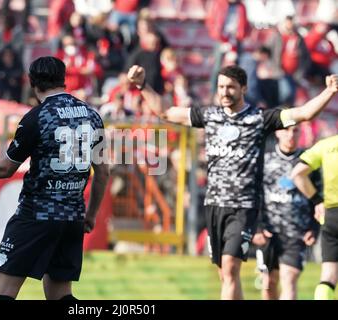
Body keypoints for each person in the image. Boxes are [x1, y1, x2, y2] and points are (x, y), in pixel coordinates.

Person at [127, 64, 338, 299]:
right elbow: (166, 112)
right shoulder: (209, 116)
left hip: (244, 207)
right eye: (221, 87)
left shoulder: (259, 118)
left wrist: (328, 92)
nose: (225, 92)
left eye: (231, 87)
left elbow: (304, 113)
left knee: (230, 267)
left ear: (244, 88)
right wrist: (142, 85)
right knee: (225, 275)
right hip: (215, 206)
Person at [0, 56, 110, 300]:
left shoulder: (37, 117)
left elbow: (4, 168)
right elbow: (103, 172)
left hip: (36, 214)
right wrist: (91, 215)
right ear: (63, 79)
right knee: (60, 294)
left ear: (33, 83)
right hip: (72, 217)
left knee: (3, 291)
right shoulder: (92, 115)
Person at [252, 126, 320, 300]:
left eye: (296, 130)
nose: (291, 135)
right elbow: (254, 195)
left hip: (297, 233)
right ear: (277, 132)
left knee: (289, 278)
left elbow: (318, 198)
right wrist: (257, 226)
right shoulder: (264, 159)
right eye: (286, 130)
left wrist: (314, 226)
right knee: (268, 283)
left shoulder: (308, 161)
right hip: (269, 233)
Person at [292, 134, 338, 300]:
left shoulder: (326, 145)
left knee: (328, 278)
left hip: (331, 215)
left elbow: (297, 174)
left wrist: (317, 200)